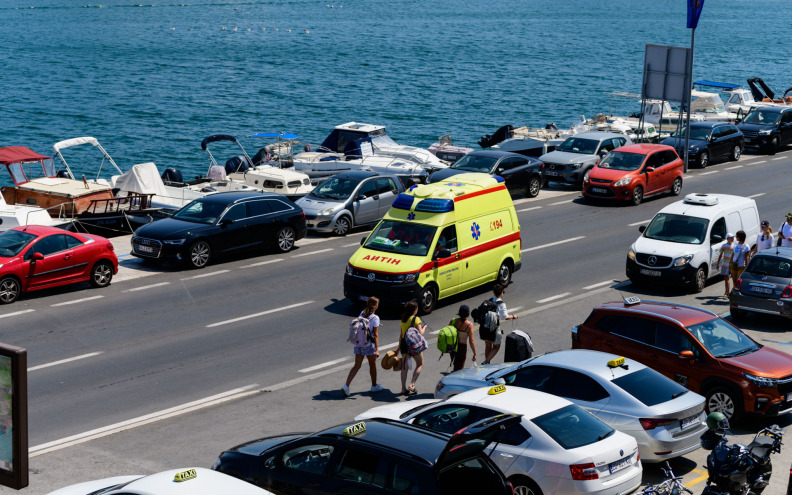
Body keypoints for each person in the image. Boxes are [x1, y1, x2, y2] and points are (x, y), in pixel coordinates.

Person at [342, 297, 383, 397]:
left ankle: (346, 386)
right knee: (372, 366)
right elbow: (376, 335)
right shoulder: (375, 318)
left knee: (357, 366)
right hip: (369, 345)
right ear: (376, 305)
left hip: (358, 344)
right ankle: (374, 386)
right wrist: (377, 349)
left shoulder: (362, 313)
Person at [481, 284, 517, 365]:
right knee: (496, 347)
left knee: (488, 347)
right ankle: (486, 362)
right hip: (494, 328)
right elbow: (505, 317)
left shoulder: (490, 300)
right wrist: (513, 316)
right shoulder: (501, 303)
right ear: (501, 293)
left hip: (485, 326)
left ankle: (487, 364)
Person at [398, 300, 425, 396]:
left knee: (404, 367)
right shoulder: (416, 319)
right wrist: (424, 328)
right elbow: (420, 333)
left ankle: (403, 389)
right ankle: (412, 384)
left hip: (404, 344)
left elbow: (401, 335)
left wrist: (398, 348)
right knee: (420, 364)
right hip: (413, 345)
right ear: (415, 309)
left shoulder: (403, 319)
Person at [451, 305, 477, 372]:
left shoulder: (453, 321)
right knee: (459, 368)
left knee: (456, 363)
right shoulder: (469, 325)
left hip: (452, 346)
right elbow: (471, 340)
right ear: (468, 314)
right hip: (462, 348)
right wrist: (474, 353)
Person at [715, 233, 735, 298]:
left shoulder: (734, 246)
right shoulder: (724, 246)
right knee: (726, 279)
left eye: (733, 237)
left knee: (730, 279)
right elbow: (720, 255)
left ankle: (727, 292)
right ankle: (727, 292)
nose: (732, 238)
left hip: (731, 265)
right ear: (727, 239)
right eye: (731, 237)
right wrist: (717, 263)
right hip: (725, 265)